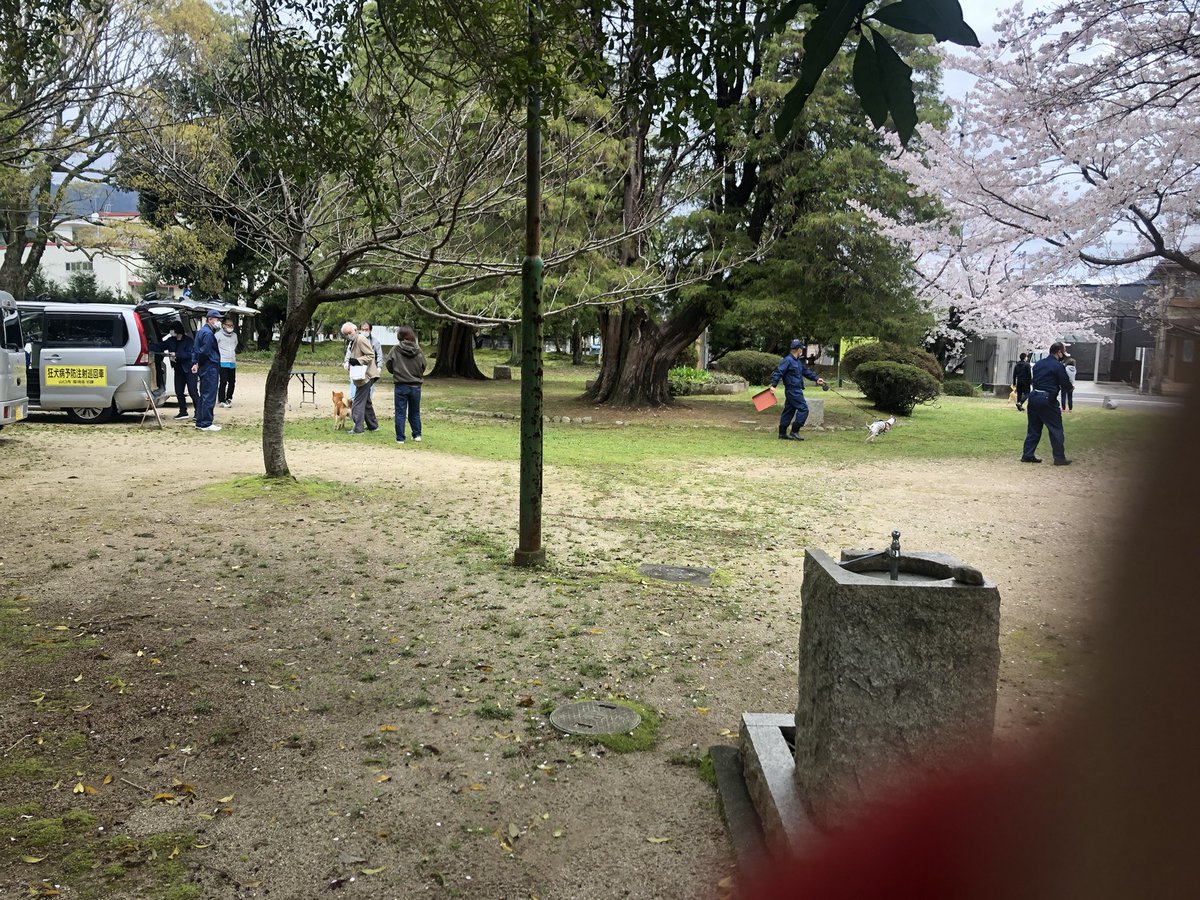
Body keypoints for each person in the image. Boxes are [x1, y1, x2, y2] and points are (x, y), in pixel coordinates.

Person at [1020, 342, 1073, 465]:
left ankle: (1028, 454)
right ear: (1059, 352)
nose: (1063, 354)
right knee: (1055, 429)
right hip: (1047, 399)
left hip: (1033, 397)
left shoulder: (1038, 364)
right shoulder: (1058, 366)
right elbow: (1065, 383)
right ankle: (1059, 458)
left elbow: (1034, 380)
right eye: (1063, 352)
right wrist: (1070, 388)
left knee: (1033, 428)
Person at [769, 339, 826, 441]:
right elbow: (778, 372)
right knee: (803, 409)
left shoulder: (797, 361)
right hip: (792, 390)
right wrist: (773, 385)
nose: (802, 351)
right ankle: (794, 431)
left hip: (796, 389)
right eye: (801, 349)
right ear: (798, 349)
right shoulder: (788, 360)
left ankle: (782, 433)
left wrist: (817, 379)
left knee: (789, 411)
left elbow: (806, 372)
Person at [385, 326, 425, 444]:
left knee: (400, 412)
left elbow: (389, 364)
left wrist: (396, 371)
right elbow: (423, 365)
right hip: (415, 385)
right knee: (415, 411)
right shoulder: (418, 349)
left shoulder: (395, 349)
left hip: (401, 385)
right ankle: (417, 434)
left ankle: (400, 438)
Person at [341, 321, 379, 434]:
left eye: (349, 332)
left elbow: (371, 355)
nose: (348, 335)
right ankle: (373, 426)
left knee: (357, 402)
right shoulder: (353, 342)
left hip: (366, 375)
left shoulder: (361, 339)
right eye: (346, 334)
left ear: (355, 330)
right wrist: (349, 363)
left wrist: (357, 361)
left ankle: (358, 428)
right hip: (363, 375)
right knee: (366, 402)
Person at [191, 309, 223, 432]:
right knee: (209, 395)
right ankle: (206, 423)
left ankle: (200, 421)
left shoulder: (201, 332)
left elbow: (195, 349)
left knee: (203, 395)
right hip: (210, 367)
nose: (219, 322)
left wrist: (195, 362)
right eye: (217, 319)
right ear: (210, 319)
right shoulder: (209, 334)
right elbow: (205, 351)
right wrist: (199, 363)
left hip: (204, 367)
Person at [160, 323, 197, 420]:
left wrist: (177, 354)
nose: (171, 332)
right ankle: (183, 411)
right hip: (178, 369)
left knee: (193, 391)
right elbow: (160, 346)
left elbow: (190, 354)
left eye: (172, 330)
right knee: (179, 391)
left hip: (189, 369)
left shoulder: (189, 341)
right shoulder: (171, 340)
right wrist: (148, 346)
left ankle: (198, 412)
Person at [343, 321, 382, 401]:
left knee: (367, 397)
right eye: (362, 329)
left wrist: (379, 366)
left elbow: (377, 355)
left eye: (366, 329)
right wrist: (347, 362)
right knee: (354, 395)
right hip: (356, 371)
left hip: (368, 372)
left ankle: (358, 412)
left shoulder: (375, 342)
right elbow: (349, 352)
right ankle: (355, 410)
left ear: (370, 330)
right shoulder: (353, 340)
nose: (364, 331)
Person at [215, 317, 240, 408]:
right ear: (223, 325)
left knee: (232, 381)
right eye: (228, 325)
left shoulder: (234, 335)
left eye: (232, 325)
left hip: (232, 361)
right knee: (223, 381)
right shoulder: (218, 335)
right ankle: (221, 399)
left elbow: (235, 344)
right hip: (222, 361)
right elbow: (215, 346)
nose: (230, 327)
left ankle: (229, 398)